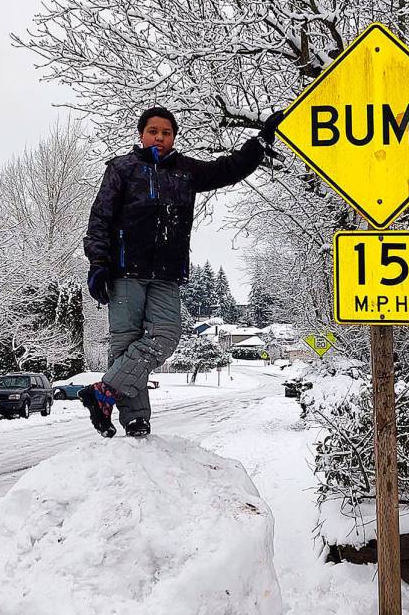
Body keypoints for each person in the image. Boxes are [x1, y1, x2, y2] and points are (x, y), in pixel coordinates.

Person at [79, 105, 283, 437]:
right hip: (124, 270)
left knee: (166, 336)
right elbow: (99, 218)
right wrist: (98, 264)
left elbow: (228, 169)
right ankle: (135, 418)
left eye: (166, 133)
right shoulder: (122, 169)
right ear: (141, 134)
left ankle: (105, 390)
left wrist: (259, 143)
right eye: (153, 132)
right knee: (125, 342)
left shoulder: (185, 171)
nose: (159, 138)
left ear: (174, 137)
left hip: (166, 272)